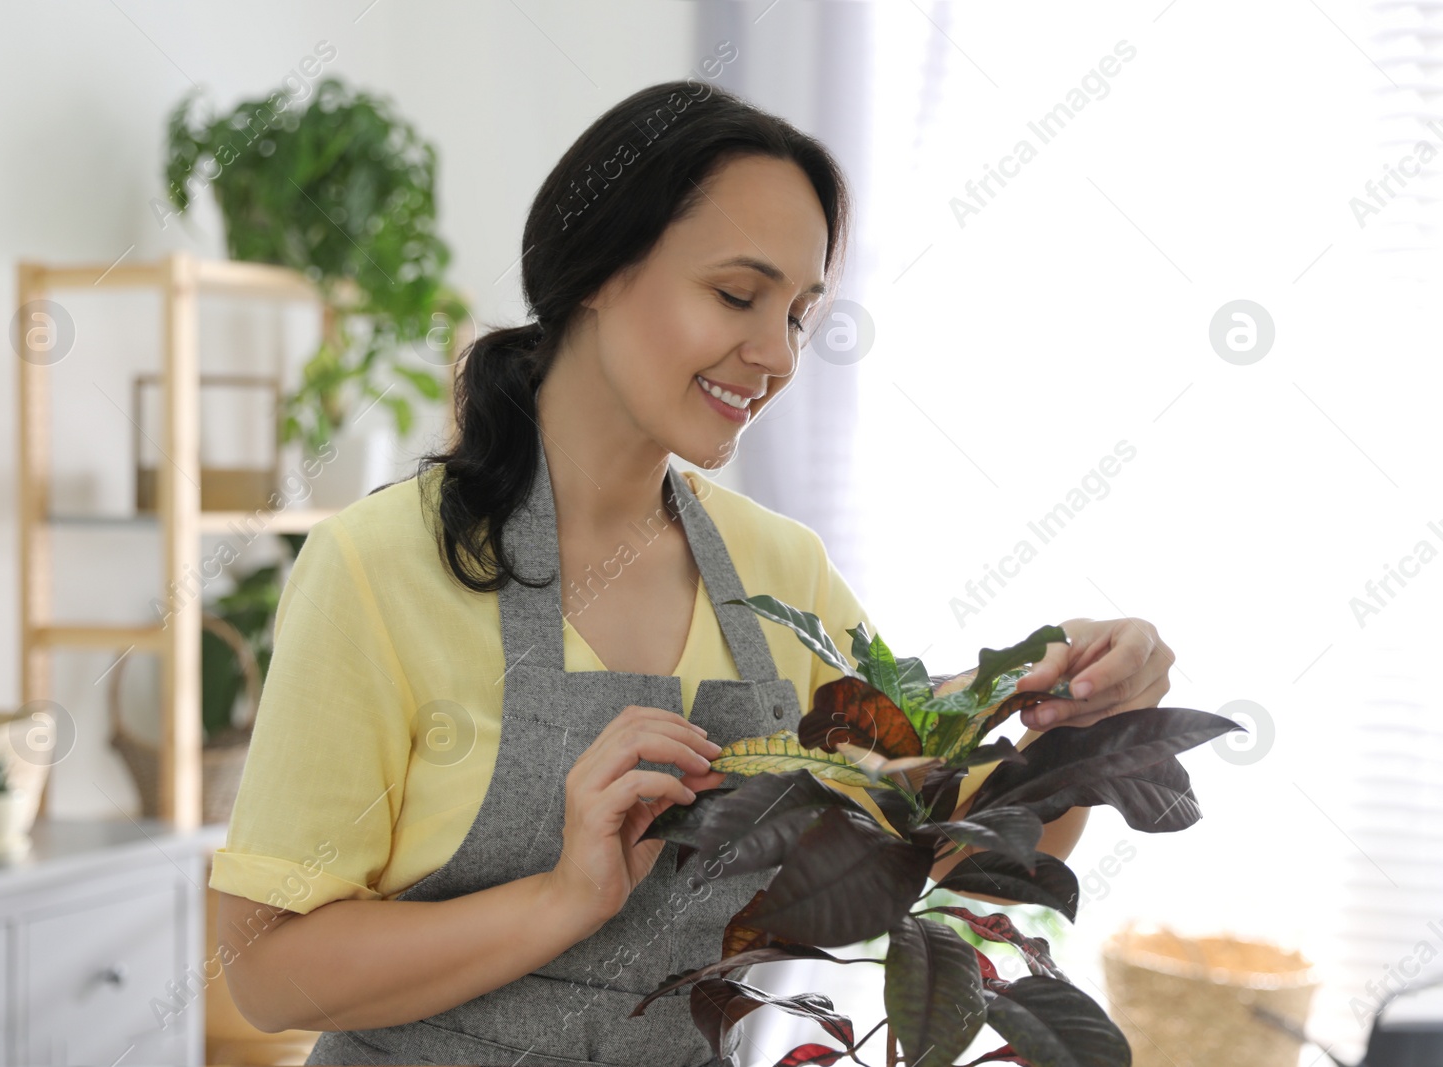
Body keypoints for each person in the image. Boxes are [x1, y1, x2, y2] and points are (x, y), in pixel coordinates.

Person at [208, 78, 1176, 1067]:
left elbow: (950, 850)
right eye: (735, 295)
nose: (775, 354)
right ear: (597, 267)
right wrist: (561, 897)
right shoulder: (378, 567)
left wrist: (1085, 716)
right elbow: (267, 967)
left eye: (798, 314)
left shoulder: (780, 571)